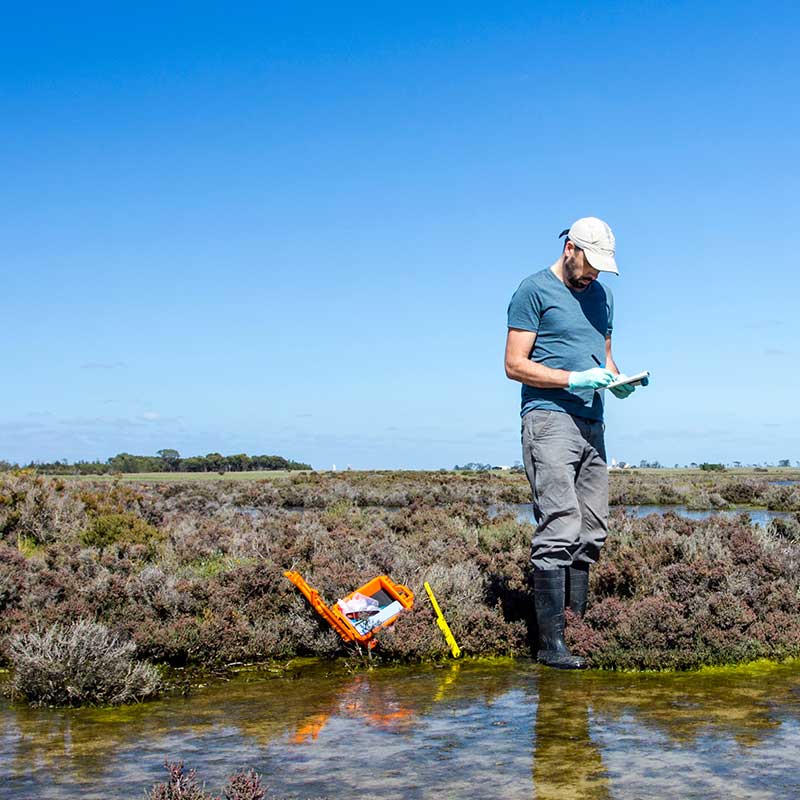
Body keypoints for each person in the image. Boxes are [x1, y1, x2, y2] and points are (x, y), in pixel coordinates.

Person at [504, 217, 646, 669]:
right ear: (570, 248)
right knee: (560, 522)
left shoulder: (602, 296)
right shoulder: (533, 290)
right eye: (590, 264)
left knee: (592, 527)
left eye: (602, 268)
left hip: (592, 421)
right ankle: (551, 646)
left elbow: (602, 358)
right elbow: (514, 365)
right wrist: (572, 378)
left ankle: (575, 630)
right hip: (548, 419)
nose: (594, 275)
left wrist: (617, 381)